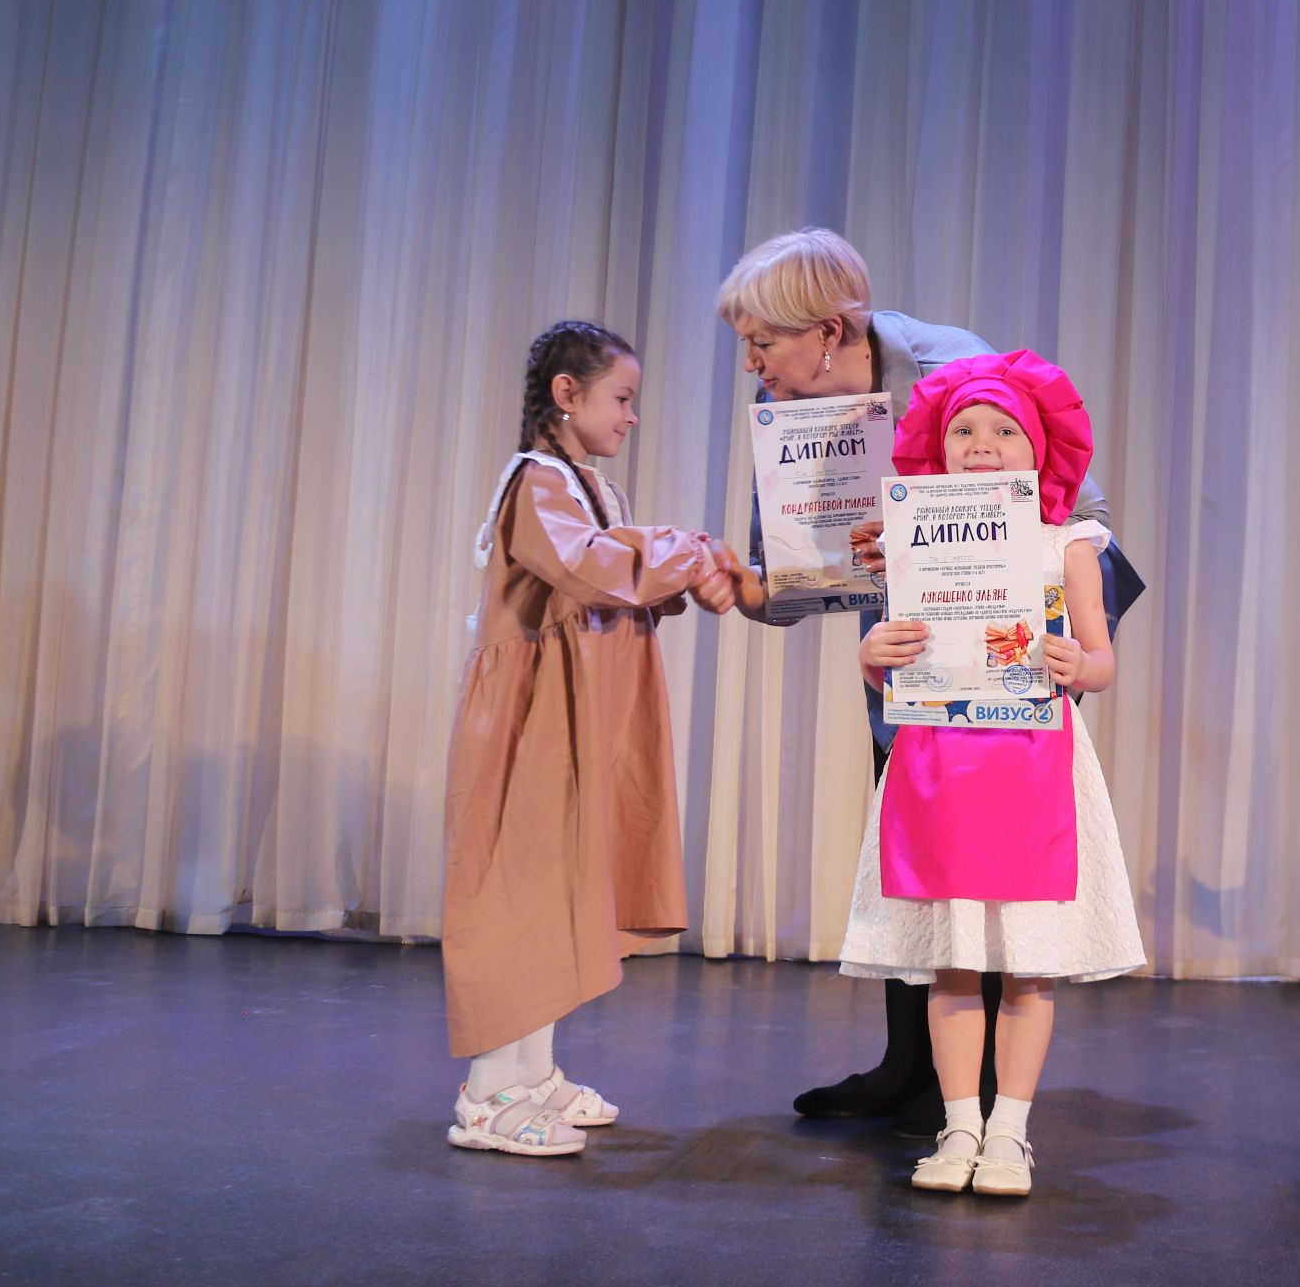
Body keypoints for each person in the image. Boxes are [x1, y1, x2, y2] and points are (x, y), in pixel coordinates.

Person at [715, 229, 1141, 1136]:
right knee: (920, 863)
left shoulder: (950, 368)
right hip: (913, 668)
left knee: (995, 876)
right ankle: (913, 1071)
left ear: (827, 332)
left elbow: (1078, 507)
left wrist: (962, 545)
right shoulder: (783, 408)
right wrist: (738, 587)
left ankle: (984, 1092)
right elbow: (792, 583)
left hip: (1011, 665)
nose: (751, 363)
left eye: (761, 342)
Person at [833, 352, 1143, 1196]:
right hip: (939, 765)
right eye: (963, 429)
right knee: (954, 961)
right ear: (937, 449)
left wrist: (1079, 663)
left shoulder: (1069, 544)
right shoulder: (912, 541)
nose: (981, 444)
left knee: (1027, 966)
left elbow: (1102, 659)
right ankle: (958, 1127)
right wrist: (873, 655)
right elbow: (893, 669)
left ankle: (1010, 1133)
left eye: (1005, 430)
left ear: (1039, 450)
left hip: (1033, 766)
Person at [442, 320, 752, 1155]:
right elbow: (590, 567)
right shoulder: (535, 482)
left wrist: (693, 572)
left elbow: (617, 576)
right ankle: (487, 1093)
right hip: (534, 717)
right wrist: (690, 554)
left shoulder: (589, 489)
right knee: (523, 887)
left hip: (579, 710)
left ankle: (533, 1070)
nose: (631, 415)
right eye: (621, 397)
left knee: (562, 887)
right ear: (566, 395)